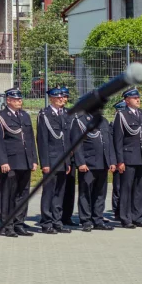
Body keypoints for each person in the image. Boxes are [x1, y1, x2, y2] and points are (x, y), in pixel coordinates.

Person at [0, 88, 37, 237]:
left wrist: (34, 159)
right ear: (8, 100)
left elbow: (30, 139)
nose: (19, 101)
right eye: (16, 99)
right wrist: (2, 161)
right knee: (8, 195)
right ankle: (7, 225)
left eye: (20, 99)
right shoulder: (0, 116)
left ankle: (19, 223)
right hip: (10, 162)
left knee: (23, 194)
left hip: (25, 160)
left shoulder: (25, 116)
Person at [112, 89, 142, 229]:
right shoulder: (122, 115)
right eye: (134, 98)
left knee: (139, 189)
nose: (138, 100)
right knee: (126, 189)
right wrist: (120, 160)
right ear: (127, 100)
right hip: (128, 157)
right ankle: (126, 218)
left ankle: (138, 216)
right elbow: (118, 140)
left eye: (138, 97)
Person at [70, 108, 116, 232]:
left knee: (100, 193)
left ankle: (98, 219)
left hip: (103, 163)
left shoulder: (103, 121)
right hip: (88, 164)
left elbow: (109, 143)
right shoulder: (80, 121)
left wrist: (112, 161)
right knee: (86, 193)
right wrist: (81, 162)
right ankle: (86, 220)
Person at [36, 87, 72, 234]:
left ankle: (57, 221)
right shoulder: (45, 115)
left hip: (62, 160)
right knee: (49, 193)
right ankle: (46, 222)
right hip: (51, 160)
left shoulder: (65, 114)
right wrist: (45, 163)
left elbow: (67, 140)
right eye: (58, 97)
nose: (61, 99)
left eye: (62, 97)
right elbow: (42, 141)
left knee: (59, 193)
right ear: (51, 99)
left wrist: (68, 162)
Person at [59, 86, 78, 226]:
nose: (64, 99)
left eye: (66, 97)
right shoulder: (48, 114)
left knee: (70, 188)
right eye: (62, 96)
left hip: (70, 157)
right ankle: (55, 216)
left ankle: (67, 216)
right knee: (58, 188)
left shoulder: (70, 113)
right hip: (58, 156)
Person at [110, 100, 126, 220]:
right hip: (117, 160)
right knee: (118, 187)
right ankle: (117, 211)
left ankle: (124, 210)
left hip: (128, 159)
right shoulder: (112, 125)